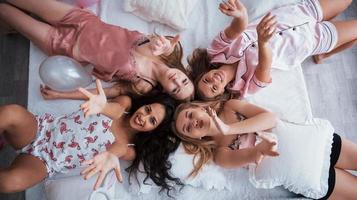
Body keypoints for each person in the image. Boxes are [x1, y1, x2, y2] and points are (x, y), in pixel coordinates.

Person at [0, 80, 178, 193]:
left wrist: (109, 156)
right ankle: (5, 135)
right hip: (41, 128)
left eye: (152, 121)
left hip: (46, 161)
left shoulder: (128, 148)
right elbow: (112, 109)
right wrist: (59, 95)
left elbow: (116, 151)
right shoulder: (124, 104)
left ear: (153, 131)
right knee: (10, 112)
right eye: (147, 109)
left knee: (8, 183)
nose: (143, 117)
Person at [0, 0, 194, 101]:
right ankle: (10, 27)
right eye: (184, 80)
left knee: (5, 11)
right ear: (184, 72)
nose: (177, 81)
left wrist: (62, 95)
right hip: (82, 20)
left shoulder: (144, 85)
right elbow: (156, 44)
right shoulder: (170, 52)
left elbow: (107, 93)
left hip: (64, 46)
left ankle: (10, 26)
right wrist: (160, 45)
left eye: (176, 89)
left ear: (167, 92)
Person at [172, 99, 357, 199]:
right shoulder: (220, 154)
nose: (192, 122)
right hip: (304, 173)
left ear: (199, 108)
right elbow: (250, 156)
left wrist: (229, 128)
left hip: (313, 142)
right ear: (195, 138)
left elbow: (270, 118)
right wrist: (261, 149)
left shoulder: (231, 106)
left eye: (189, 115)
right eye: (188, 128)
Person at [189, 0, 357, 100]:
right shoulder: (244, 88)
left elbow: (238, 28)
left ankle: (324, 55)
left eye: (206, 81)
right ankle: (323, 53)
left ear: (203, 74)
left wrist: (240, 15)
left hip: (298, 13)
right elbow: (265, 65)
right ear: (221, 93)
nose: (214, 81)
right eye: (214, 88)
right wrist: (263, 43)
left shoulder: (215, 52)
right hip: (311, 40)